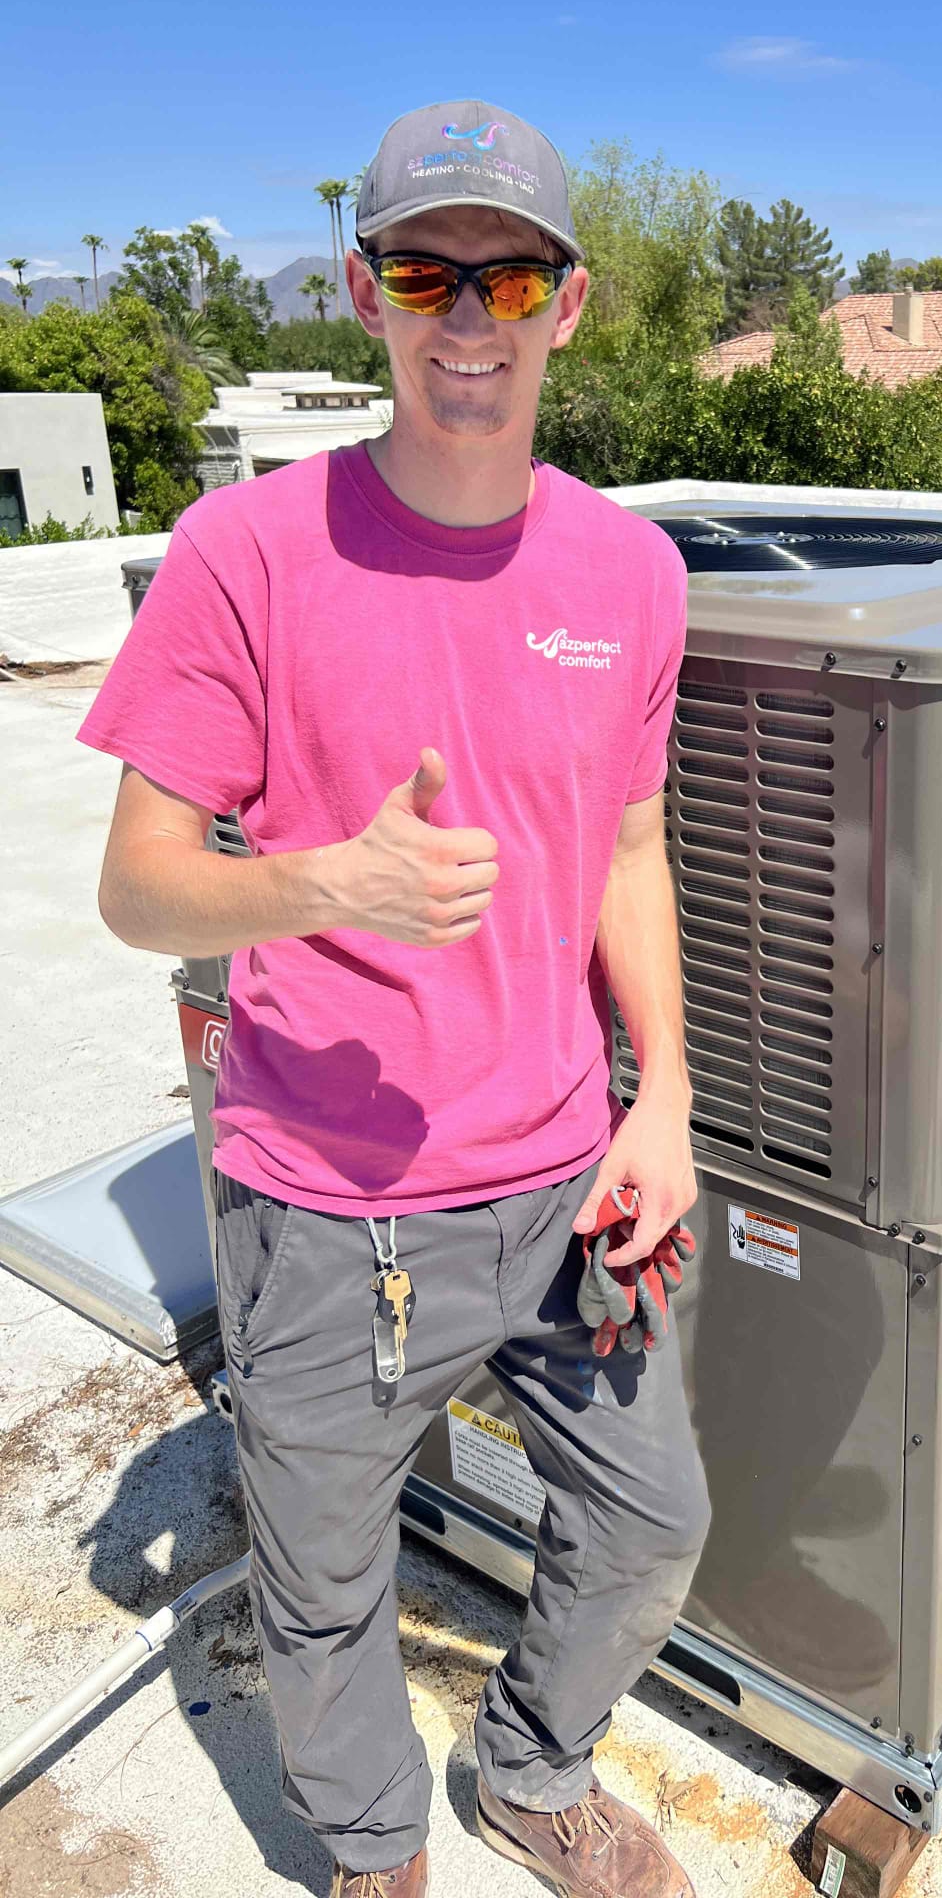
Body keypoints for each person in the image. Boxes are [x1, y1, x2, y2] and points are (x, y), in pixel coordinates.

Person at [78, 99, 710, 1898]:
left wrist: (663, 1098)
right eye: (428, 274)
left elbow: (629, 852)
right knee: (325, 1582)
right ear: (366, 296)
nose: (469, 316)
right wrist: (322, 883)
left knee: (652, 1523)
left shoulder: (632, 573)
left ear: (567, 304)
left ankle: (530, 1773)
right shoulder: (247, 553)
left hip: (566, 1181)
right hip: (328, 1210)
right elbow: (135, 888)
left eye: (510, 275)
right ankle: (374, 1852)